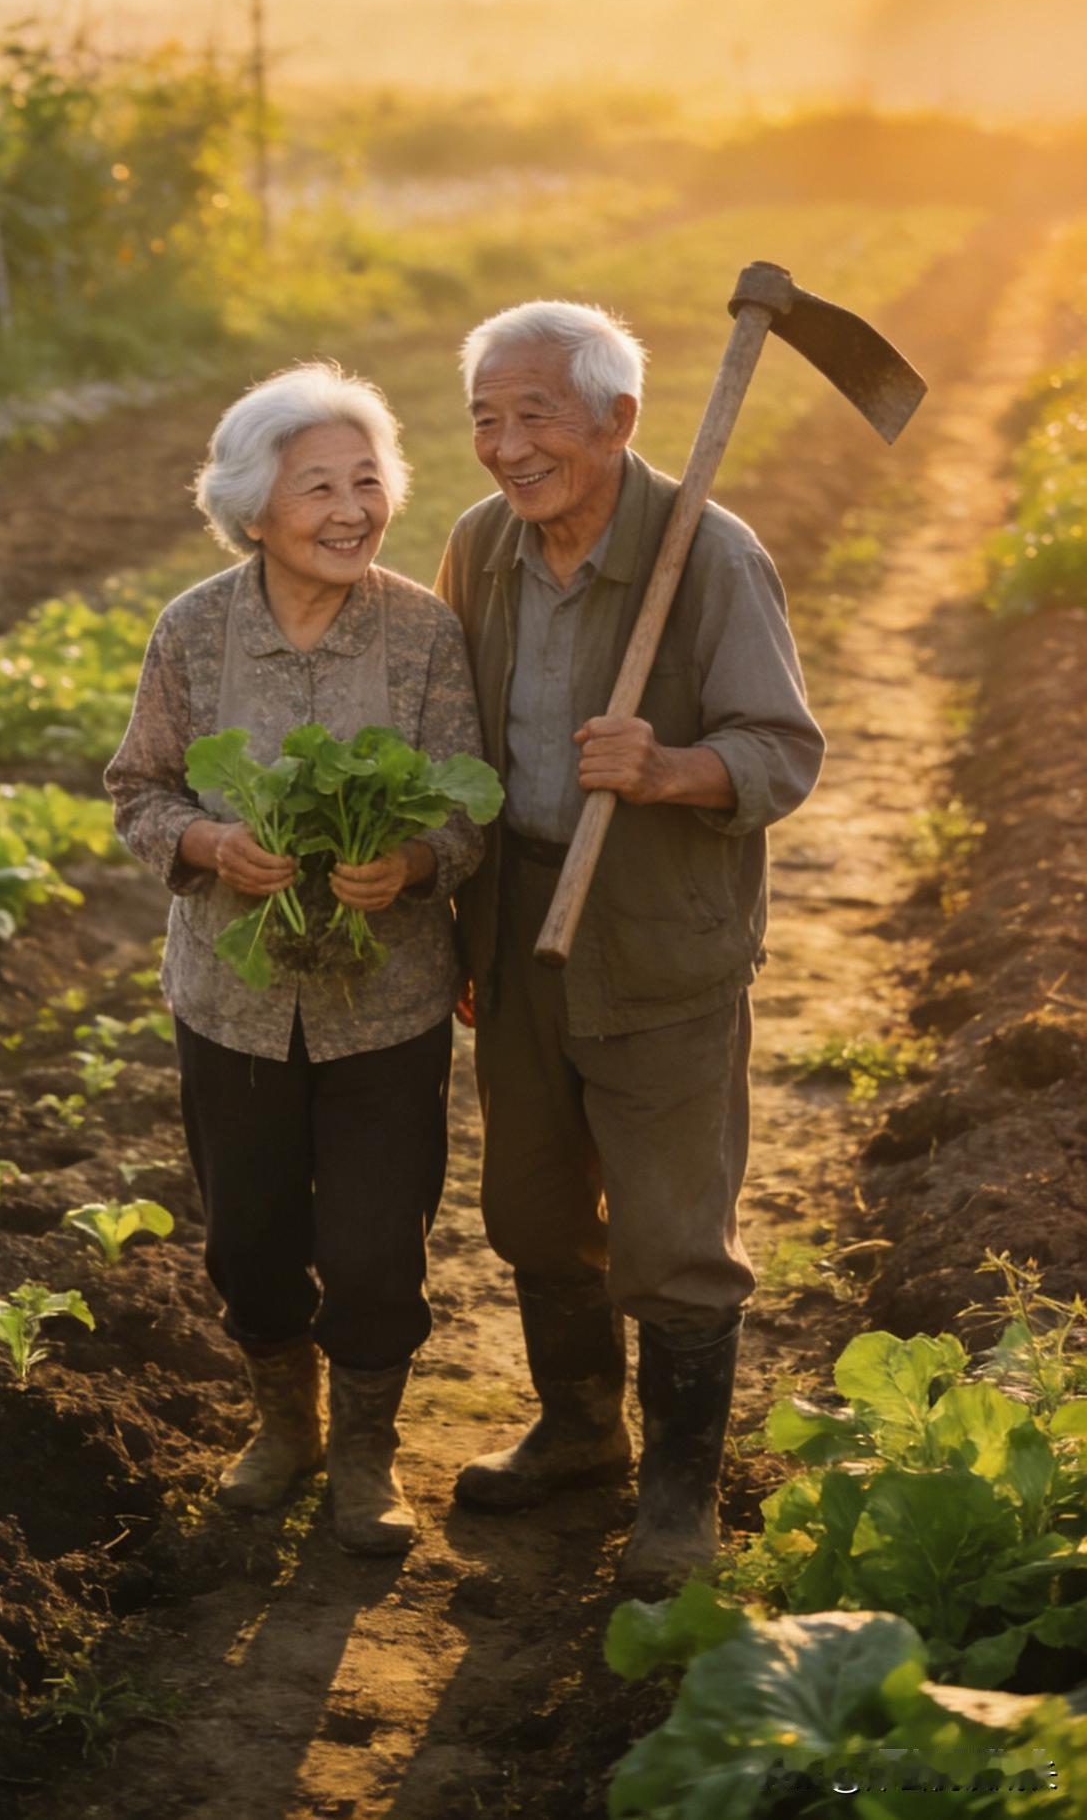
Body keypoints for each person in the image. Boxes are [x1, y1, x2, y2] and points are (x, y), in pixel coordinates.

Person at [434, 299, 825, 1590]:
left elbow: (782, 749)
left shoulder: (710, 554)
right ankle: (581, 1425)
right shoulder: (481, 544)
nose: (504, 443)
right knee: (534, 1206)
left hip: (658, 933)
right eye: (486, 415)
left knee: (670, 1230)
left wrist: (669, 766)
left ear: (619, 419)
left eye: (534, 412)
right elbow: (453, 739)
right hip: (519, 919)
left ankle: (677, 1498)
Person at [105, 362, 486, 1556]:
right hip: (233, 998)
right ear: (251, 505)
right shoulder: (195, 628)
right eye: (314, 483)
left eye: (365, 480)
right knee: (249, 1242)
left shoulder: (423, 632)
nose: (348, 507)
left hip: (388, 1001)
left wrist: (414, 865)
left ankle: (367, 1455)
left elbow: (472, 809)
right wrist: (210, 840)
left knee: (376, 1245)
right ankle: (287, 1428)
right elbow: (136, 789)